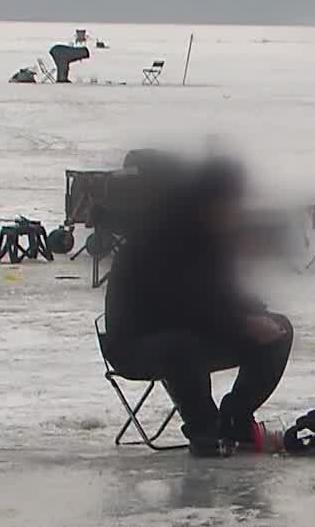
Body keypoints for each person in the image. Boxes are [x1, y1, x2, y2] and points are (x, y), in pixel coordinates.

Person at [100, 159, 293, 457]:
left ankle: (235, 418)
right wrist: (240, 322)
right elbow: (179, 304)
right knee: (181, 346)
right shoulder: (159, 236)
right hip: (138, 340)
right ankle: (205, 429)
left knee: (279, 329)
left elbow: (222, 290)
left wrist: (254, 312)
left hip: (198, 330)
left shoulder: (213, 234)